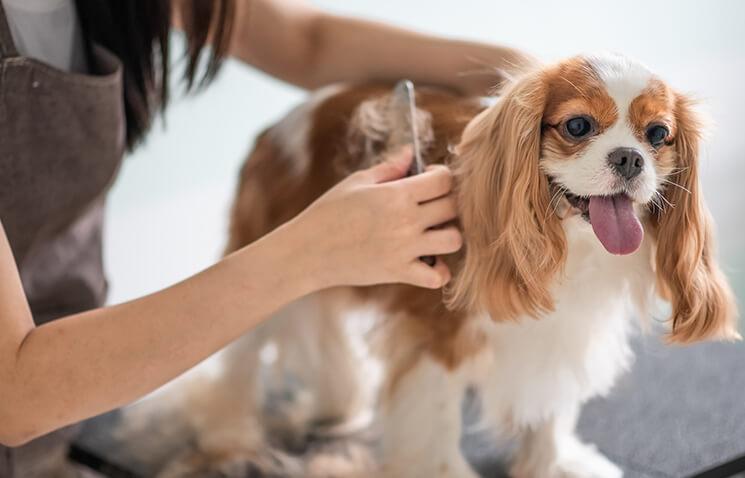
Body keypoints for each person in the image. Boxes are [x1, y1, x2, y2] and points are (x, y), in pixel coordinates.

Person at [0, 0, 534, 475]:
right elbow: (15, 396)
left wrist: (526, 80)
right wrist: (308, 253)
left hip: (67, 418)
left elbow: (307, 41)